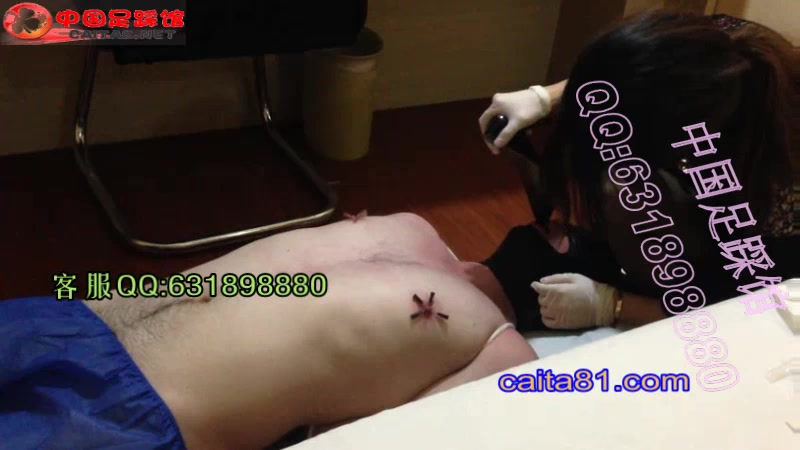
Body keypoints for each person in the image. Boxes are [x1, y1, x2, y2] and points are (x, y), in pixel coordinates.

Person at [0, 213, 537, 450]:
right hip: (126, 419)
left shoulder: (406, 224)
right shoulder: (502, 350)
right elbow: (356, 440)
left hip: (67, 323)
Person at [476, 11, 799, 332]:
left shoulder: (778, 194)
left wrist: (615, 306)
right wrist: (546, 97)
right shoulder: (719, 44)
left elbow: (748, 309)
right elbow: (634, 73)